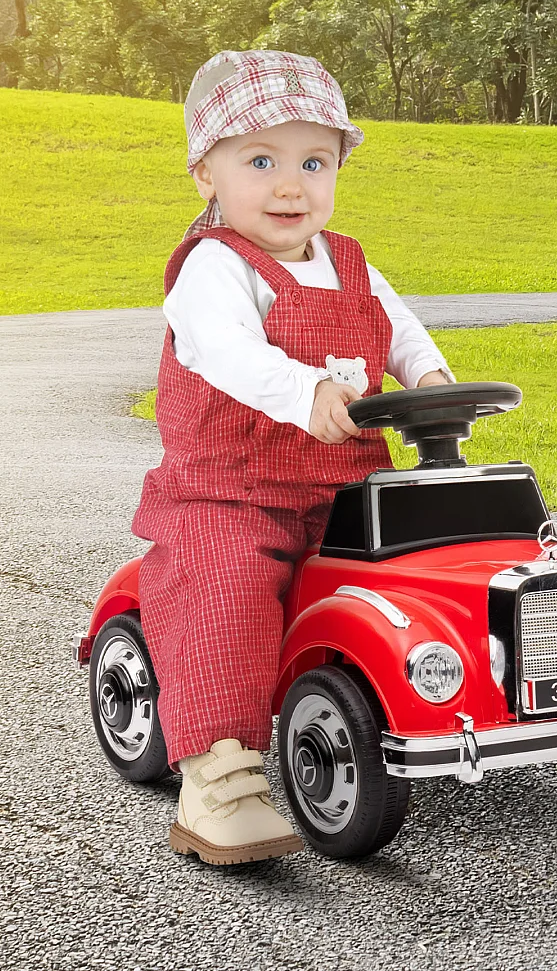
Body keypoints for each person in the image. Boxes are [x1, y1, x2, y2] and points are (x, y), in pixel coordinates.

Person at [130, 49, 454, 865]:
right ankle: (221, 780)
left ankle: (459, 691)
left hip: (348, 490)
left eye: (313, 162)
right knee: (228, 585)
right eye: (261, 161)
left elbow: (400, 328)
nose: (289, 186)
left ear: (339, 166)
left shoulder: (350, 261)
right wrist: (305, 392)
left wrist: (431, 375)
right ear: (206, 172)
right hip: (232, 493)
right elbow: (227, 353)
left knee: (439, 558)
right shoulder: (214, 268)